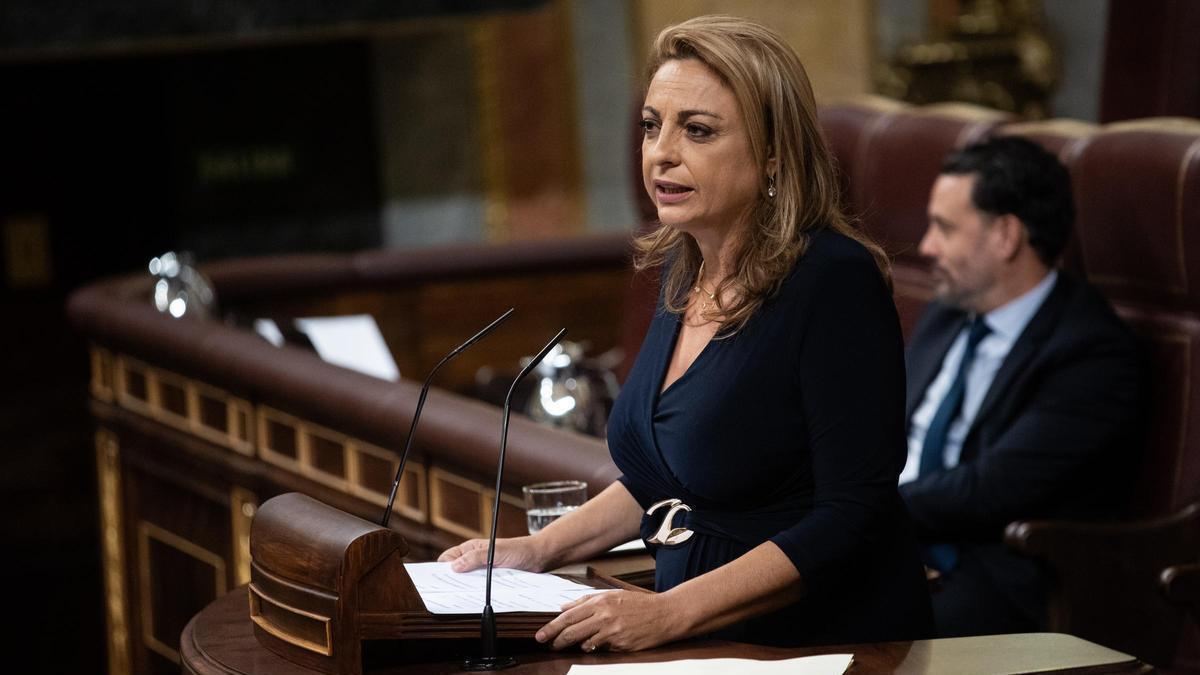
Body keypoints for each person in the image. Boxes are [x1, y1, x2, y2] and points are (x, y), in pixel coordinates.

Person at [440, 15, 932, 651]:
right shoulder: (687, 262)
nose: (661, 152)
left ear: (776, 152)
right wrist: (535, 550)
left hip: (823, 644)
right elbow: (659, 478)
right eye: (652, 126)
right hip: (700, 637)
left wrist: (670, 613)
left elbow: (851, 515)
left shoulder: (833, 280)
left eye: (697, 131)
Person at [899, 135, 1144, 637]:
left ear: (1006, 235)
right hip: (895, 541)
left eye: (944, 227)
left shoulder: (1091, 354)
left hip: (987, 576)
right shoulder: (949, 311)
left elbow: (992, 488)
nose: (926, 247)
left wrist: (858, 510)